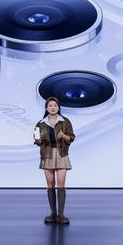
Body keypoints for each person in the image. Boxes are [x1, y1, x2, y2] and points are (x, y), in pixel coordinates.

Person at [33, 96, 75, 224]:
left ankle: (61, 215)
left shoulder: (65, 121)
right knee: (50, 185)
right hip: (47, 154)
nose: (53, 108)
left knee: (61, 184)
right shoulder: (40, 123)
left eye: (55, 105)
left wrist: (63, 136)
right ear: (46, 108)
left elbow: (72, 138)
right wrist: (39, 139)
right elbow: (36, 140)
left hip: (61, 154)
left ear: (58, 107)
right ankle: (53, 214)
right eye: (50, 105)